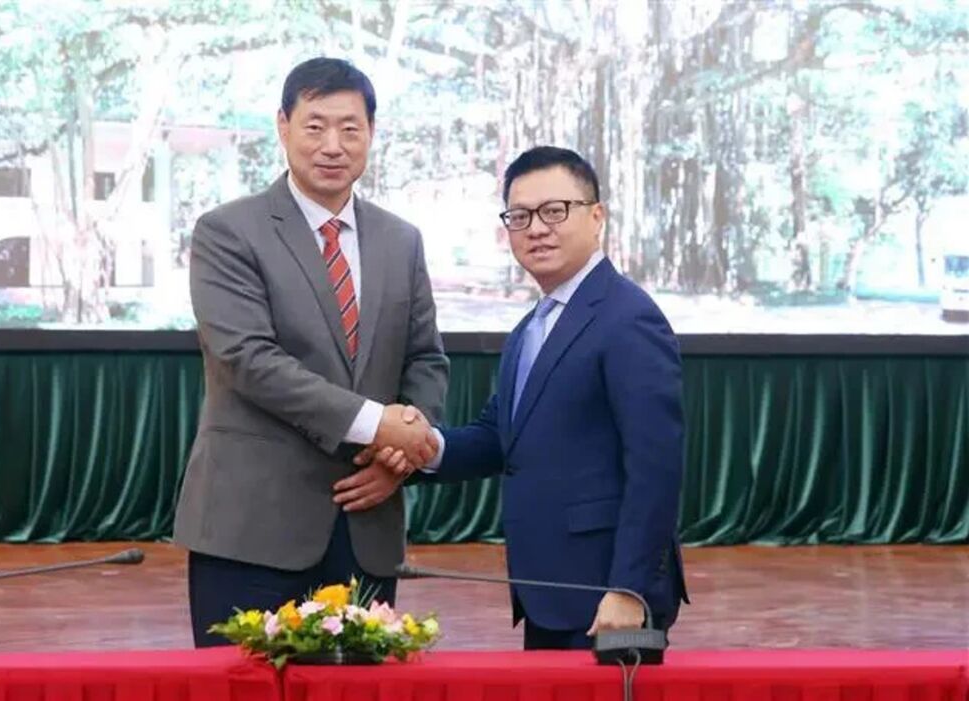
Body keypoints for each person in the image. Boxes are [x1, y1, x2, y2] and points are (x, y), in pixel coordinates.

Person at [345, 146, 688, 650]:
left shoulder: (628, 317)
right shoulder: (534, 326)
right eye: (520, 216)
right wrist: (422, 447)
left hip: (607, 596)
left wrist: (628, 587)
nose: (537, 229)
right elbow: (497, 437)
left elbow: (656, 468)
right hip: (550, 588)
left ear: (596, 217)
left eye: (555, 211)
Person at [173, 57, 448, 647]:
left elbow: (425, 358)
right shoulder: (228, 231)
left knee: (358, 685)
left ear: (371, 133)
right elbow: (248, 359)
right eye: (315, 125)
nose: (333, 145)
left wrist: (399, 455)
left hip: (365, 521)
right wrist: (378, 425)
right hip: (251, 527)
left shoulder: (402, 240)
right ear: (283, 126)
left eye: (350, 128)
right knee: (241, 685)